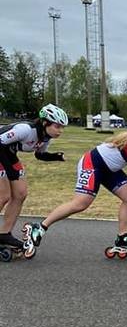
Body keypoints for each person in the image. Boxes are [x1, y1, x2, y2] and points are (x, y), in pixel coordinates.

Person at [23, 113, 127, 256]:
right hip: (93, 163)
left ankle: (122, 238)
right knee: (80, 204)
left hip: (110, 168)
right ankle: (39, 228)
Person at [0, 104, 68, 254]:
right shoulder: (25, 130)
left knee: (20, 194)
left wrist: (56, 156)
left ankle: (4, 234)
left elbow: (39, 154)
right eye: (57, 126)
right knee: (3, 196)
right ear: (45, 123)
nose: (60, 131)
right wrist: (10, 170)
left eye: (62, 127)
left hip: (8, 155)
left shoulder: (45, 137)